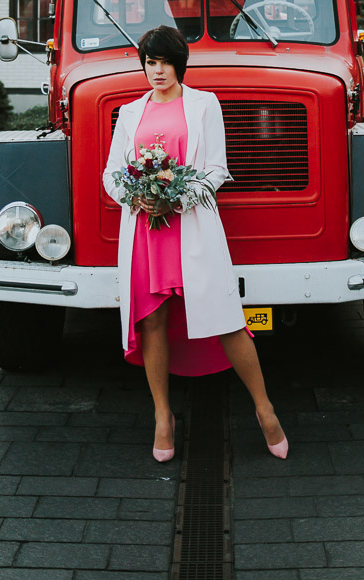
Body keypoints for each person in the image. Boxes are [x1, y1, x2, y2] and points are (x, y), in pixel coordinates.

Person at [102, 24, 287, 462]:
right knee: (152, 323)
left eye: (165, 62)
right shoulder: (129, 113)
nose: (158, 70)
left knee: (226, 319)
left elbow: (217, 169)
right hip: (146, 233)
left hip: (192, 229)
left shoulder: (205, 105)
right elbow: (112, 173)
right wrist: (138, 197)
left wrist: (174, 199)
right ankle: (162, 417)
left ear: (179, 64)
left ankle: (265, 410)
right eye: (151, 62)